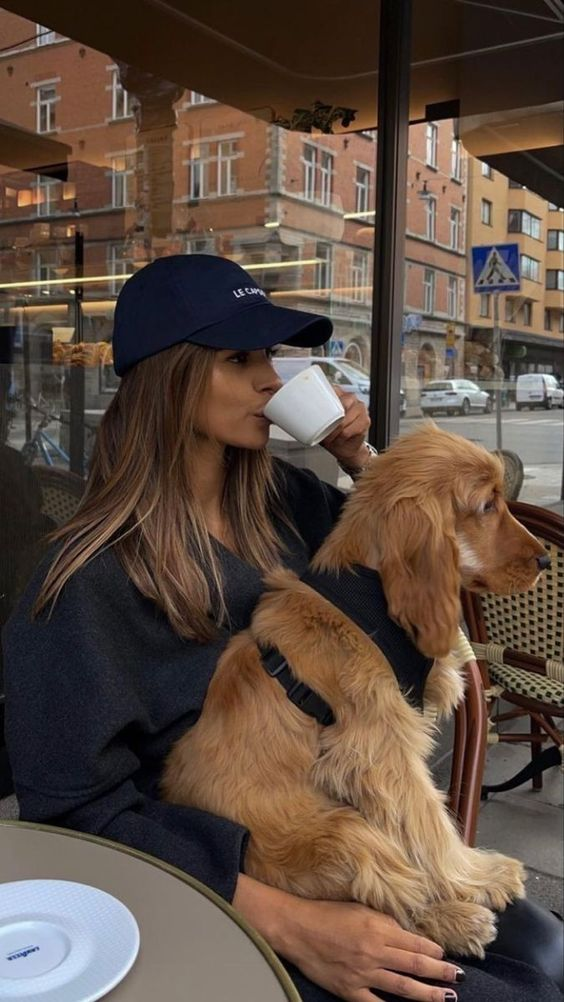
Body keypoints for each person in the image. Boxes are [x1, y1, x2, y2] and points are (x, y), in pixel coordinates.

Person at [3, 256, 562, 1002]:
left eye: (268, 355)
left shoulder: (289, 501)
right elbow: (71, 818)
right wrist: (290, 923)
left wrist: (358, 458)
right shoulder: (81, 584)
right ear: (168, 379)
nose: (272, 380)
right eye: (239, 359)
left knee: (549, 952)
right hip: (218, 885)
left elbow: (405, 569)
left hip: (362, 836)